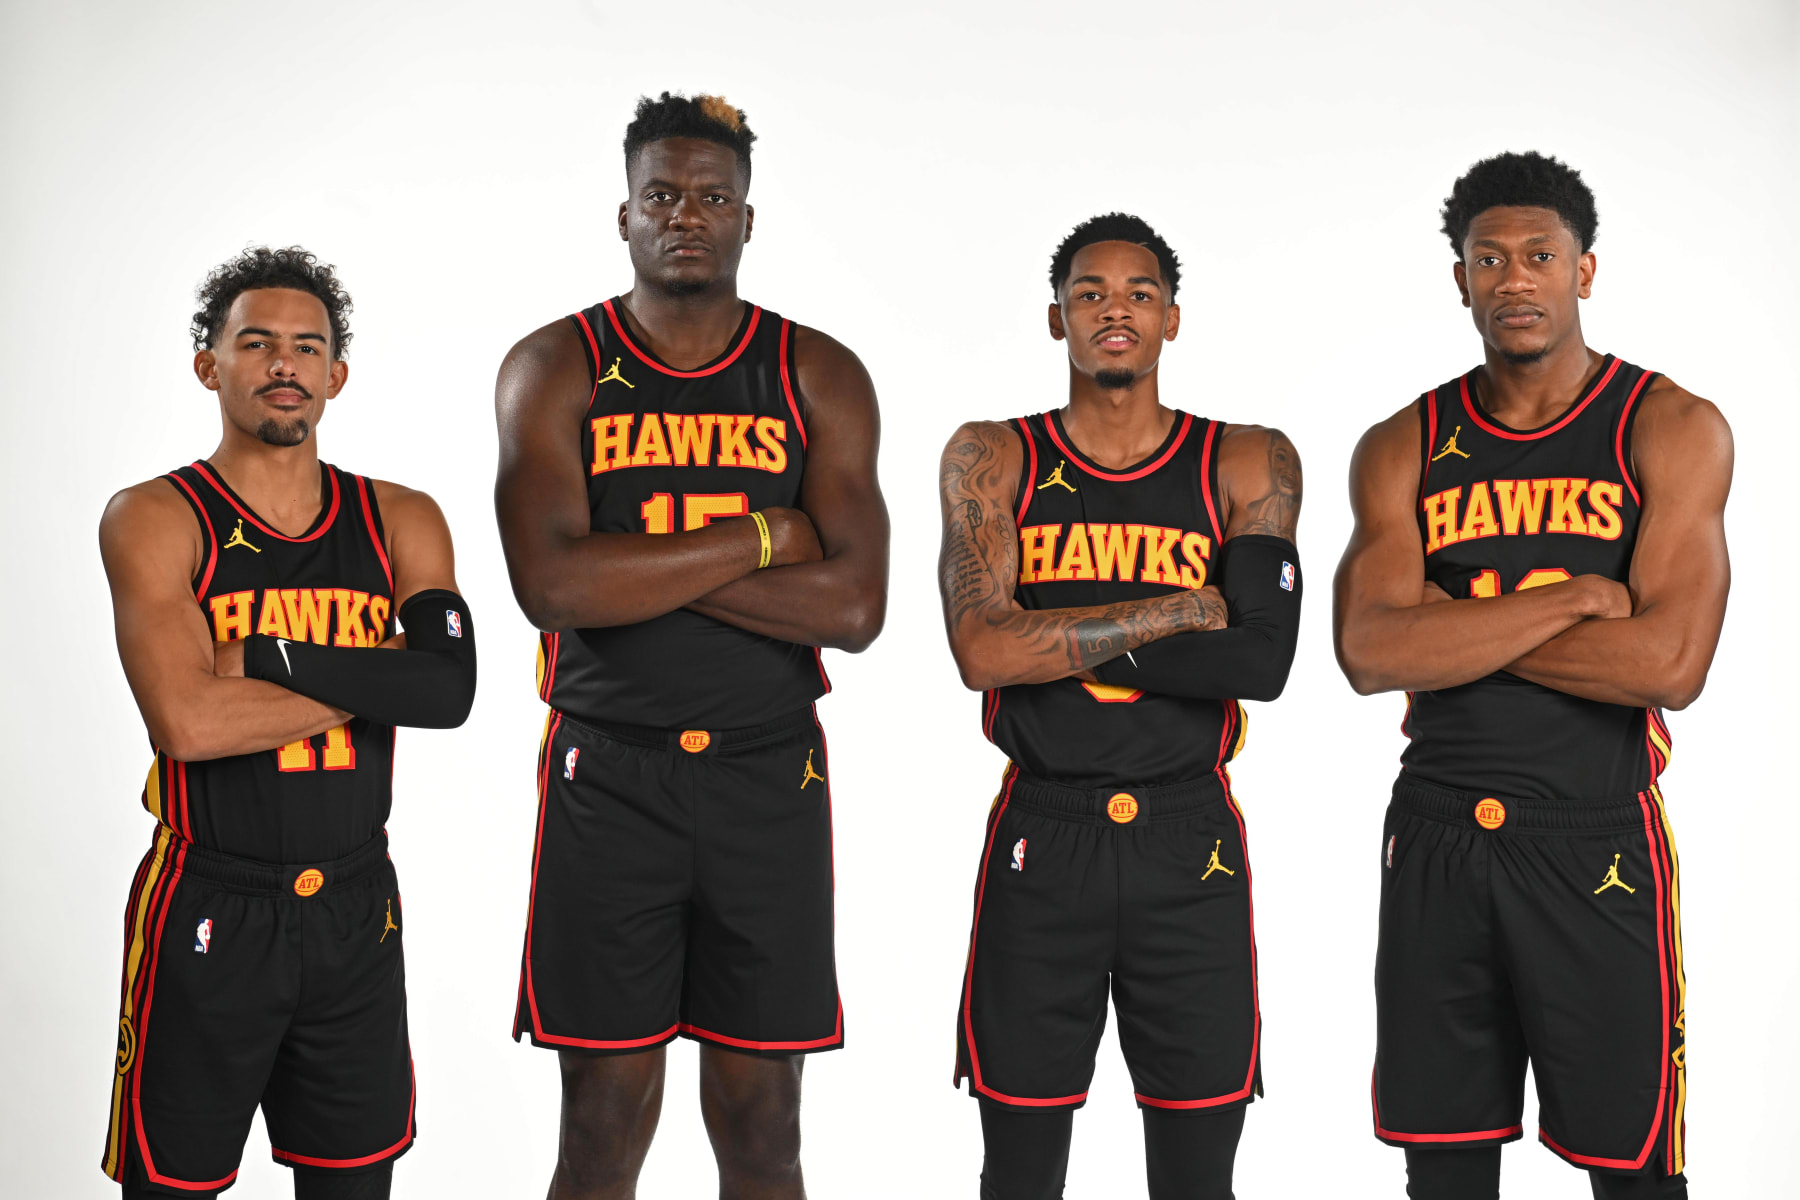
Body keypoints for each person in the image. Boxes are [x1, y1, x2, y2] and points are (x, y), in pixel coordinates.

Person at [493, 92, 887, 1200]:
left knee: (765, 1138)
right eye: (661, 195)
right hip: (609, 776)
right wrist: (761, 539)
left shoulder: (818, 373)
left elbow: (857, 608)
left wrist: (636, 564)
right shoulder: (554, 366)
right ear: (622, 215)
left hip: (769, 773)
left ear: (748, 220)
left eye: (713, 196)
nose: (686, 215)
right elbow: (551, 585)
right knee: (602, 1132)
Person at [1333, 151, 1731, 1199]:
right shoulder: (1403, 444)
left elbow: (1671, 662)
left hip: (1592, 838)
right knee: (1444, 1173)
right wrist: (1567, 601)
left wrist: (1450, 624)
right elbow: (1369, 651)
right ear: (1459, 279)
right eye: (1490, 259)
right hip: (1437, 836)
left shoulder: (1668, 425)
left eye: (1540, 257)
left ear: (1585, 273)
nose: (1515, 279)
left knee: (1634, 1172)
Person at [938, 213, 1304, 1200]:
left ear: (1172, 319)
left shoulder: (1246, 461)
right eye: (1090, 292)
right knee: (1019, 1173)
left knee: (1197, 1176)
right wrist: (1179, 614)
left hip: (1188, 839)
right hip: (1043, 833)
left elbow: (1260, 660)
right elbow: (981, 649)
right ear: (1057, 318)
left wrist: (1056, 639)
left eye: (1139, 292)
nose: (1115, 308)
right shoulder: (993, 458)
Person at [99, 247, 476, 1198]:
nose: (283, 364)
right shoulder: (156, 517)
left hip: (356, 905)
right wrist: (384, 673)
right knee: (170, 1188)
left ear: (336, 376)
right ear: (208, 365)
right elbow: (185, 721)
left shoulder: (400, 518)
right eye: (255, 342)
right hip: (211, 903)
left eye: (307, 347)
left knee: (354, 1186)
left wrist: (260, 659)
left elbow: (450, 694)